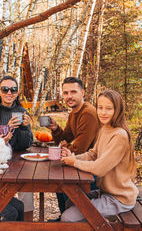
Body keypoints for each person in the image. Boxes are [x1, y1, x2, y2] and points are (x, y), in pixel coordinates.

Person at [60, 89, 139, 222]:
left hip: (119, 198)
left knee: (68, 218)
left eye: (108, 108)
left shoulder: (119, 135)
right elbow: (93, 154)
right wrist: (73, 156)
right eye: (100, 108)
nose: (103, 112)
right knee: (70, 202)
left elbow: (100, 168)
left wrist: (74, 162)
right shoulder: (104, 129)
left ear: (118, 110)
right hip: (105, 192)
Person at [46, 77, 100, 218]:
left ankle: (71, 221)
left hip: (94, 170)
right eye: (65, 93)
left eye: (73, 92)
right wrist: (56, 128)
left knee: (62, 181)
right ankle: (65, 218)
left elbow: (79, 149)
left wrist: (66, 146)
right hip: (80, 163)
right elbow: (65, 138)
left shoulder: (88, 113)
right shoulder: (74, 113)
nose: (69, 96)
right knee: (59, 181)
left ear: (83, 92)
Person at [0, 75, 34, 221]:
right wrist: (4, 134)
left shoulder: (22, 111)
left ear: (17, 92)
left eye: (13, 89)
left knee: (28, 190)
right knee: (1, 195)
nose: (9, 93)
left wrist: (25, 128)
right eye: (5, 89)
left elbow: (26, 145)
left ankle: (26, 226)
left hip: (19, 163)